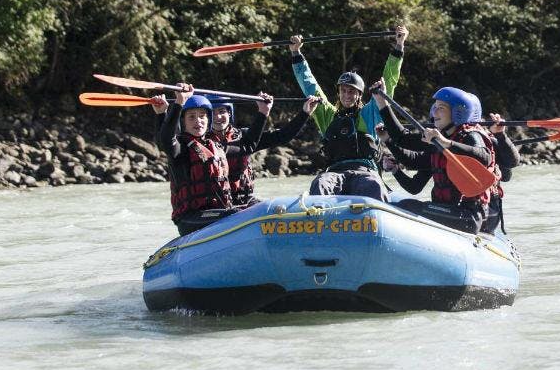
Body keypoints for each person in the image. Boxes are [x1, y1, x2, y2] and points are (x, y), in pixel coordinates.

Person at [288, 25, 408, 200]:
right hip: (335, 172)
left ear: (359, 94)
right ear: (339, 92)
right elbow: (309, 84)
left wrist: (399, 45)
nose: (347, 95)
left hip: (365, 171)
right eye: (343, 91)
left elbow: (389, 82)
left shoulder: (369, 113)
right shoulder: (327, 115)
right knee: (320, 183)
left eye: (351, 91)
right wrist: (296, 53)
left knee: (373, 185)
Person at [372, 80, 500, 234]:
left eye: (441, 108)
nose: (435, 112)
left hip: (467, 216)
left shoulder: (470, 136)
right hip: (449, 211)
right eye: (435, 107)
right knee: (404, 205)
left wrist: (447, 143)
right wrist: (382, 103)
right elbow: (403, 139)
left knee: (406, 207)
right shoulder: (439, 138)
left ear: (457, 112)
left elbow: (484, 156)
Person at [155, 83, 272, 236]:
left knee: (265, 209)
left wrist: (263, 112)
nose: (198, 121)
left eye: (202, 116)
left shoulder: (216, 146)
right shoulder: (180, 149)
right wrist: (177, 105)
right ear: (183, 122)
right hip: (190, 218)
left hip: (219, 212)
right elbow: (165, 139)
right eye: (192, 117)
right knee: (236, 215)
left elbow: (248, 145)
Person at [209, 96, 322, 206]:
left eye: (222, 111)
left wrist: (305, 113)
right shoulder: (202, 142)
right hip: (216, 204)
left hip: (244, 201)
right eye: (213, 113)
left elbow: (283, 136)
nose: (218, 117)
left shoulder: (245, 137)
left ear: (229, 113)